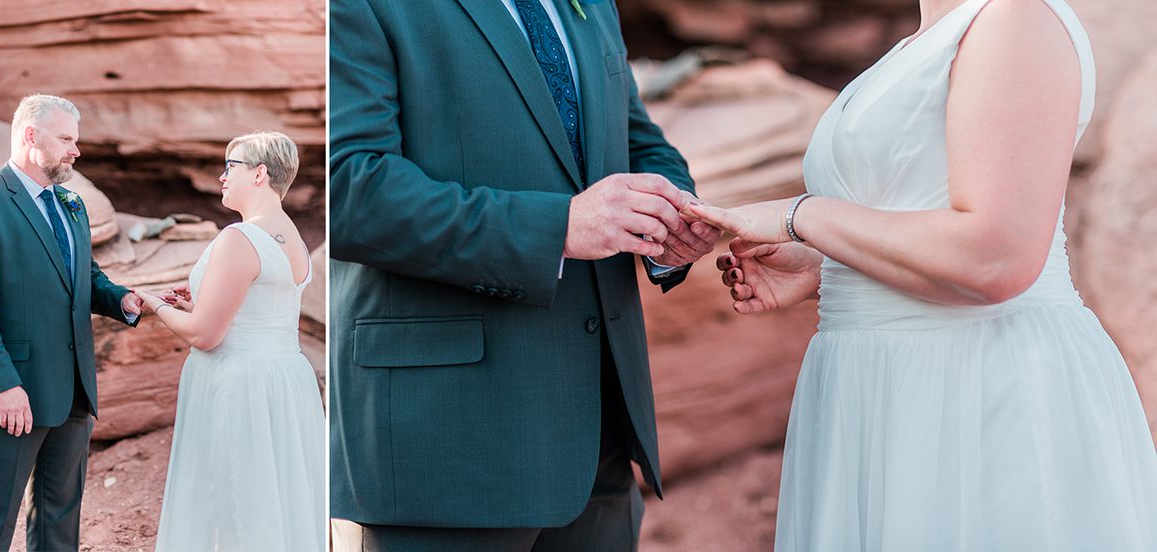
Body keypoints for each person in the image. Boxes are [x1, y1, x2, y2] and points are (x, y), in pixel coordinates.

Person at [686, 0, 1157, 549]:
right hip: (875, 386)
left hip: (974, 381)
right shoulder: (920, 41)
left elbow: (997, 257)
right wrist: (832, 264)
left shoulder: (1014, 20)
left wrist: (804, 217)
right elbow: (922, 204)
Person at [328, 0, 721, 549]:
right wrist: (557, 227)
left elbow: (634, 140)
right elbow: (349, 190)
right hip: (447, 448)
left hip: (601, 445)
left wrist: (673, 223)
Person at [0, 94, 142, 551]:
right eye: (65, 139)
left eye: (75, 140)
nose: (74, 150)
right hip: (10, 398)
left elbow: (86, 279)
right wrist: (3, 385)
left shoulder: (72, 203)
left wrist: (128, 300)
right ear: (30, 136)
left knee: (60, 528)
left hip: (74, 393)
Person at [135, 131, 325, 551]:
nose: (221, 176)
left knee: (230, 502)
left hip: (236, 383)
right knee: (270, 498)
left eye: (230, 166)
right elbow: (254, 311)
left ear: (260, 174)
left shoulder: (240, 238)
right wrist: (194, 304)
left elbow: (205, 334)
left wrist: (154, 303)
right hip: (284, 379)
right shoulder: (291, 235)